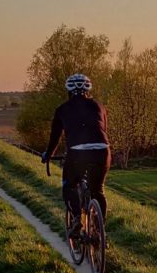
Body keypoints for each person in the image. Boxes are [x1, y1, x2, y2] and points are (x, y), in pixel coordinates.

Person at [41, 73, 110, 236]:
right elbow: (104, 129)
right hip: (102, 150)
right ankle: (100, 231)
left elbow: (55, 138)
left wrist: (48, 155)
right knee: (98, 190)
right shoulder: (99, 106)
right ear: (88, 90)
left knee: (69, 185)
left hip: (77, 152)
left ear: (69, 91)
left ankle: (77, 218)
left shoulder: (62, 110)